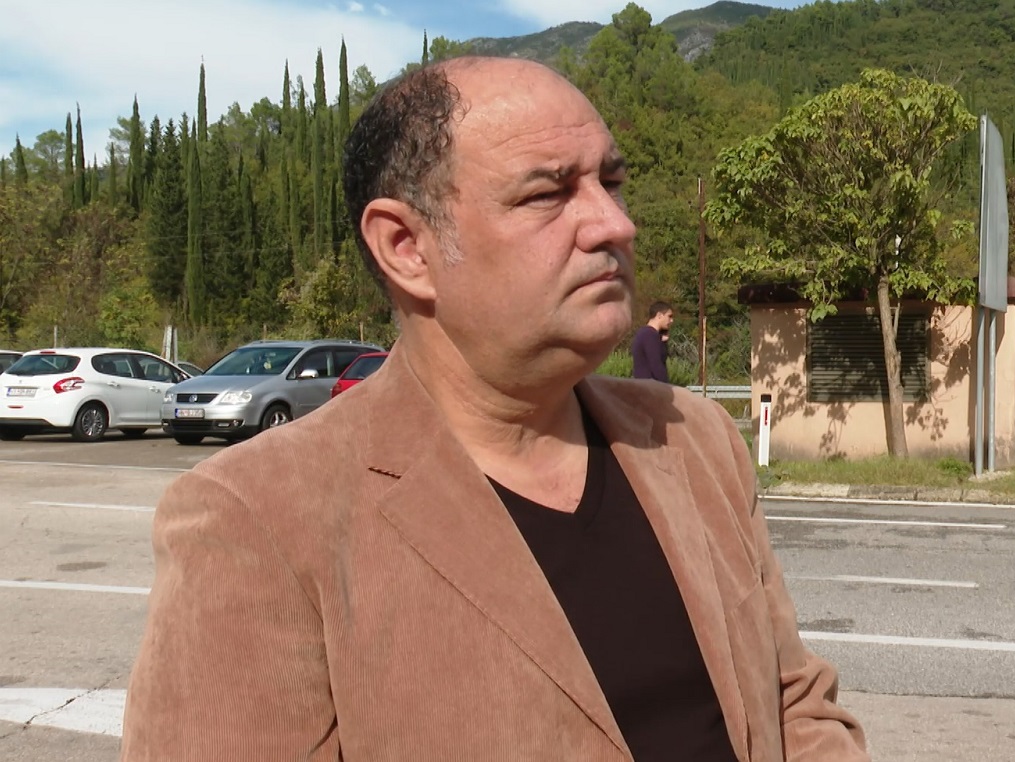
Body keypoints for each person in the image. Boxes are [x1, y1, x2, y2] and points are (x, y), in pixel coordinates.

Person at [121, 56, 868, 761]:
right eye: (547, 194)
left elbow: (793, 705)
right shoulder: (255, 516)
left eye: (611, 182)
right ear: (406, 246)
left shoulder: (693, 437)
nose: (615, 224)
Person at [632, 300, 673, 382]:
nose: (671, 320)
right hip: (649, 386)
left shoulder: (647, 334)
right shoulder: (649, 335)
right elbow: (656, 365)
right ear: (659, 315)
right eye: (669, 316)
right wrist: (667, 386)